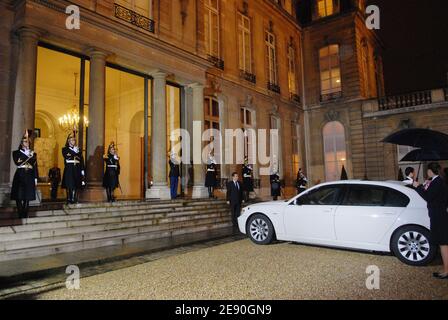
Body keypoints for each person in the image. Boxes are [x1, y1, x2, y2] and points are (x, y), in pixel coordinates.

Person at [413, 162, 448, 279]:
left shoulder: (437, 182)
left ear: (430, 171)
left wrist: (418, 187)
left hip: (438, 216)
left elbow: (428, 197)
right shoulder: (438, 181)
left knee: (443, 243)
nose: (427, 172)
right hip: (440, 214)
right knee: (443, 242)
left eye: (427, 170)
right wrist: (424, 186)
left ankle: (446, 271)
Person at [11, 130, 38, 218]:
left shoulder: (33, 154)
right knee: (18, 196)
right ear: (21, 143)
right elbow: (18, 162)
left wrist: (36, 178)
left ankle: (25, 214)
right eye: (25, 141)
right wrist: (26, 154)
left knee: (27, 196)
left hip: (29, 175)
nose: (27, 143)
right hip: (20, 174)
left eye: (28, 142)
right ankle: (20, 213)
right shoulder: (16, 153)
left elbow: (35, 166)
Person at [61, 131, 85, 204]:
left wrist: (82, 169)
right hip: (69, 168)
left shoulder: (78, 149)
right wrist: (75, 152)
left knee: (75, 183)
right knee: (69, 183)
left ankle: (74, 198)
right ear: (68, 141)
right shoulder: (65, 149)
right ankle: (69, 198)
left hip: (77, 168)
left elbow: (81, 159)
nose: (73, 141)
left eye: (74, 140)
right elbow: (66, 155)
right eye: (72, 140)